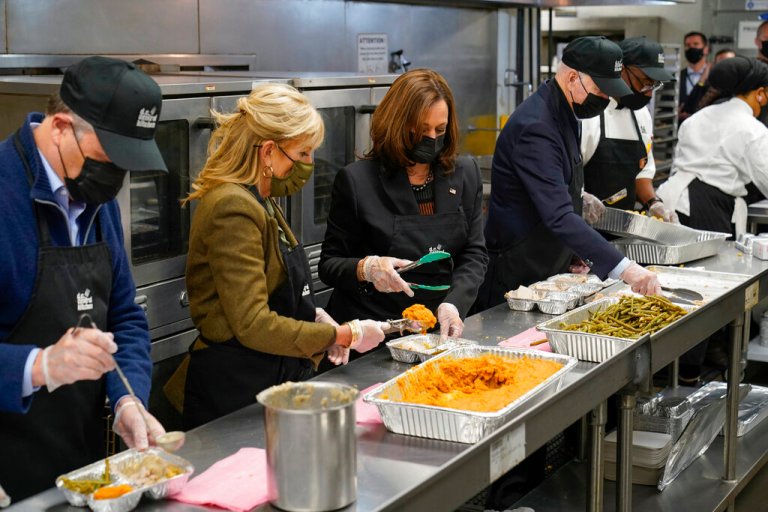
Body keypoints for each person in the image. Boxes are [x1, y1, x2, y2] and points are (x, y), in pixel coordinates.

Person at [164, 83, 387, 430]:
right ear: (268, 151)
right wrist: (345, 335)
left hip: (268, 375)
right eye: (302, 154)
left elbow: (271, 286)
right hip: (233, 390)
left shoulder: (262, 199)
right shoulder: (232, 207)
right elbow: (253, 323)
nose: (309, 164)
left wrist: (314, 317)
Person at [0, 56, 167, 500]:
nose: (113, 178)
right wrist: (40, 366)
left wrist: (128, 398)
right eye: (106, 158)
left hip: (82, 468)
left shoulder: (95, 199)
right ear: (60, 127)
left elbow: (125, 316)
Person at [476, 36, 661, 312]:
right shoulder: (536, 127)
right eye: (601, 90)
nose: (605, 99)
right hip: (516, 270)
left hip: (546, 261)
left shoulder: (564, 111)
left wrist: (575, 250)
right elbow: (558, 215)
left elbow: (563, 190)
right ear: (573, 78)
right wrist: (625, 268)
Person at [318, 69, 488, 339]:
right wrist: (367, 268)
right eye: (421, 130)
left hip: (438, 329)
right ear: (397, 124)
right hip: (373, 332)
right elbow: (329, 264)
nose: (431, 138)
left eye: (440, 130)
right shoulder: (357, 181)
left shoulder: (465, 174)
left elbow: (474, 253)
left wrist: (454, 304)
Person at [657, 57, 768, 383]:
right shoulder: (751, 129)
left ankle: (671, 370)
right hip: (709, 208)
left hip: (674, 203)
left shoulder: (698, 117)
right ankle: (690, 375)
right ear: (759, 93)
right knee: (706, 294)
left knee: (676, 290)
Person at [581, 36, 677, 220]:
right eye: (645, 82)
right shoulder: (588, 113)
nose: (649, 93)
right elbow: (564, 175)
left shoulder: (641, 114)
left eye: (654, 85)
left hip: (623, 227)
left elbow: (642, 172)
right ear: (621, 69)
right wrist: (581, 199)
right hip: (581, 225)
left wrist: (654, 203)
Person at [682, 47, 737, 117]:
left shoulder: (739, 89)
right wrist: (703, 78)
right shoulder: (708, 86)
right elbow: (688, 107)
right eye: (722, 63)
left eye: (730, 63)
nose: (726, 67)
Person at [678, 31, 710, 122]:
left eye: (696, 44)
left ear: (706, 49)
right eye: (688, 45)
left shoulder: (714, 76)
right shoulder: (676, 77)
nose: (691, 48)